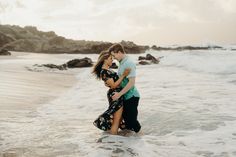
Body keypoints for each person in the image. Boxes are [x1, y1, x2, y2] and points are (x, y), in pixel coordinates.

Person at [92, 50, 130, 135]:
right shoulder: (104, 72)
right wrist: (124, 75)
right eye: (110, 58)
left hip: (116, 93)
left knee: (118, 119)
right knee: (116, 120)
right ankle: (114, 142)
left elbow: (112, 83)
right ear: (105, 60)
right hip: (115, 94)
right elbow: (114, 85)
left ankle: (114, 140)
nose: (112, 60)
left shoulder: (107, 70)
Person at [108, 43, 141, 133]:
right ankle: (132, 142)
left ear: (119, 52)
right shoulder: (122, 63)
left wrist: (119, 94)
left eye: (114, 56)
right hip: (125, 96)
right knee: (127, 122)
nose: (114, 58)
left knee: (132, 122)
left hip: (132, 96)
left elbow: (131, 82)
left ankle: (143, 139)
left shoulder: (129, 63)